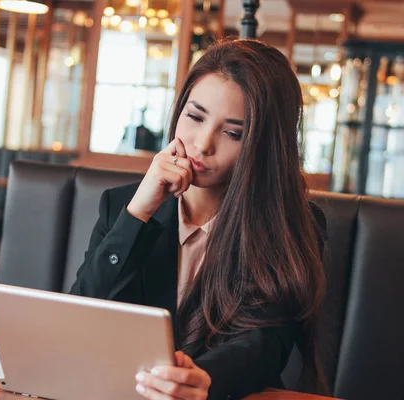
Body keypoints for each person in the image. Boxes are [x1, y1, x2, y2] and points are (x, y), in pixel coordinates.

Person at [70, 39, 328, 400]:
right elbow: (80, 311)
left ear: (264, 144)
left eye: (233, 132)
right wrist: (138, 214)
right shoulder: (122, 206)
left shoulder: (292, 223)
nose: (203, 144)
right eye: (195, 116)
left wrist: (205, 379)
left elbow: (266, 343)